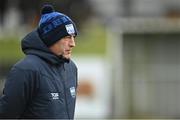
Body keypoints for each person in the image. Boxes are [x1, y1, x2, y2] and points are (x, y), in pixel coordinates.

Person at [0, 4, 78, 119]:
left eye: (73, 37)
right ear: (51, 38)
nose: (73, 44)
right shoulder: (25, 70)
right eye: (66, 37)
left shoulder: (71, 68)